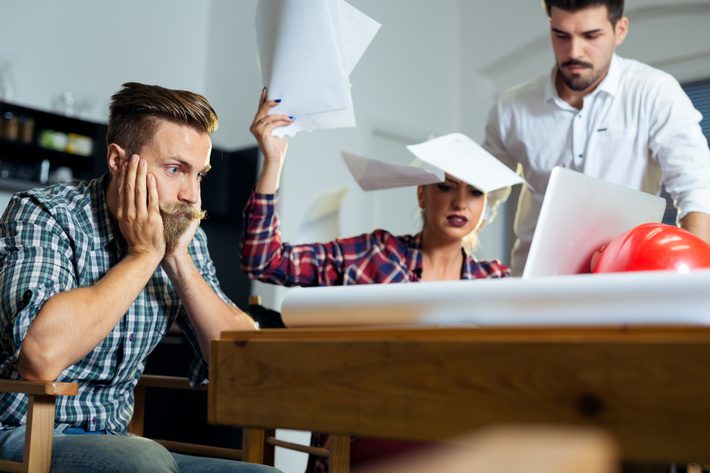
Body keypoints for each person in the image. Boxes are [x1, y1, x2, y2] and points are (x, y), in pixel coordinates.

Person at [0, 82, 279, 473]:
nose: (192, 196)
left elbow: (241, 366)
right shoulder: (45, 213)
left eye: (199, 175)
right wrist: (144, 254)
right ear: (118, 160)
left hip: (117, 440)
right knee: (145, 460)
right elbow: (40, 359)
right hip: (22, 433)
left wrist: (177, 257)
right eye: (174, 169)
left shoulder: (181, 232)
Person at [242, 88, 516, 472]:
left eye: (474, 193)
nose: (459, 203)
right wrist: (273, 162)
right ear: (422, 195)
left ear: (484, 206)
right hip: (365, 430)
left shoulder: (496, 282)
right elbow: (264, 261)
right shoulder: (375, 254)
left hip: (457, 435)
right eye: (446, 187)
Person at [484, 0, 710, 276]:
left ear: (620, 30)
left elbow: (697, 190)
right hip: (534, 286)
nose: (574, 51)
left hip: (624, 284)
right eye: (561, 35)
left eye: (591, 36)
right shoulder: (511, 108)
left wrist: (693, 285)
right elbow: (481, 196)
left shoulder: (655, 92)